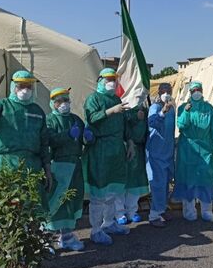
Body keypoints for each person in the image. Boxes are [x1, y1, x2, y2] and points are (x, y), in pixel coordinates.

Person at [0, 70, 53, 264]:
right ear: (12, 87)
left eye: (28, 86)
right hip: (3, 165)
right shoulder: (1, 106)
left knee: (30, 211)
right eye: (20, 86)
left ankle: (23, 257)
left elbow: (44, 144)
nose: (25, 90)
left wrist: (47, 169)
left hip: (31, 166)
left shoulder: (38, 111)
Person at [83, 68, 135, 245]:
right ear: (100, 80)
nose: (112, 81)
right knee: (99, 192)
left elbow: (124, 123)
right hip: (101, 149)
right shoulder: (94, 99)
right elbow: (91, 119)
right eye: (109, 79)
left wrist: (130, 142)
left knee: (113, 191)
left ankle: (109, 223)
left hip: (116, 149)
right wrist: (110, 111)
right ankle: (96, 230)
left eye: (114, 78)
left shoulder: (116, 98)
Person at [45, 87, 94, 251]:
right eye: (59, 101)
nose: (64, 104)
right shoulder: (49, 120)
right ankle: (45, 240)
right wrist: (67, 135)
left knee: (71, 203)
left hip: (75, 165)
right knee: (55, 203)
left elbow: (83, 139)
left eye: (66, 100)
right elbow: (49, 140)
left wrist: (87, 137)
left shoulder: (75, 119)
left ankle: (66, 236)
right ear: (52, 103)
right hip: (58, 166)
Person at [172, 81, 213, 222]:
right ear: (190, 92)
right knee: (188, 178)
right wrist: (186, 112)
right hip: (188, 148)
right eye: (194, 90)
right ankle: (189, 210)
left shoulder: (209, 108)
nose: (196, 92)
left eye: (199, 89)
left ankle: (206, 210)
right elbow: (181, 125)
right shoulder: (183, 108)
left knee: (206, 178)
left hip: (205, 148)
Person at [146, 83, 176, 228]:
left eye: (168, 91)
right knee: (157, 184)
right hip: (156, 152)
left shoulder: (172, 109)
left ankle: (161, 209)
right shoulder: (155, 108)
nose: (166, 93)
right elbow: (151, 122)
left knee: (165, 184)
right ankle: (153, 215)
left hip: (168, 151)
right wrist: (162, 113)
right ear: (158, 93)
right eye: (163, 91)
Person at [115, 105, 150, 225]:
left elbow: (143, 133)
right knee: (121, 182)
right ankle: (119, 213)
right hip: (124, 149)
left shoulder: (145, 111)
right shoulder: (123, 111)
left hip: (138, 150)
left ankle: (131, 211)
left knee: (135, 182)